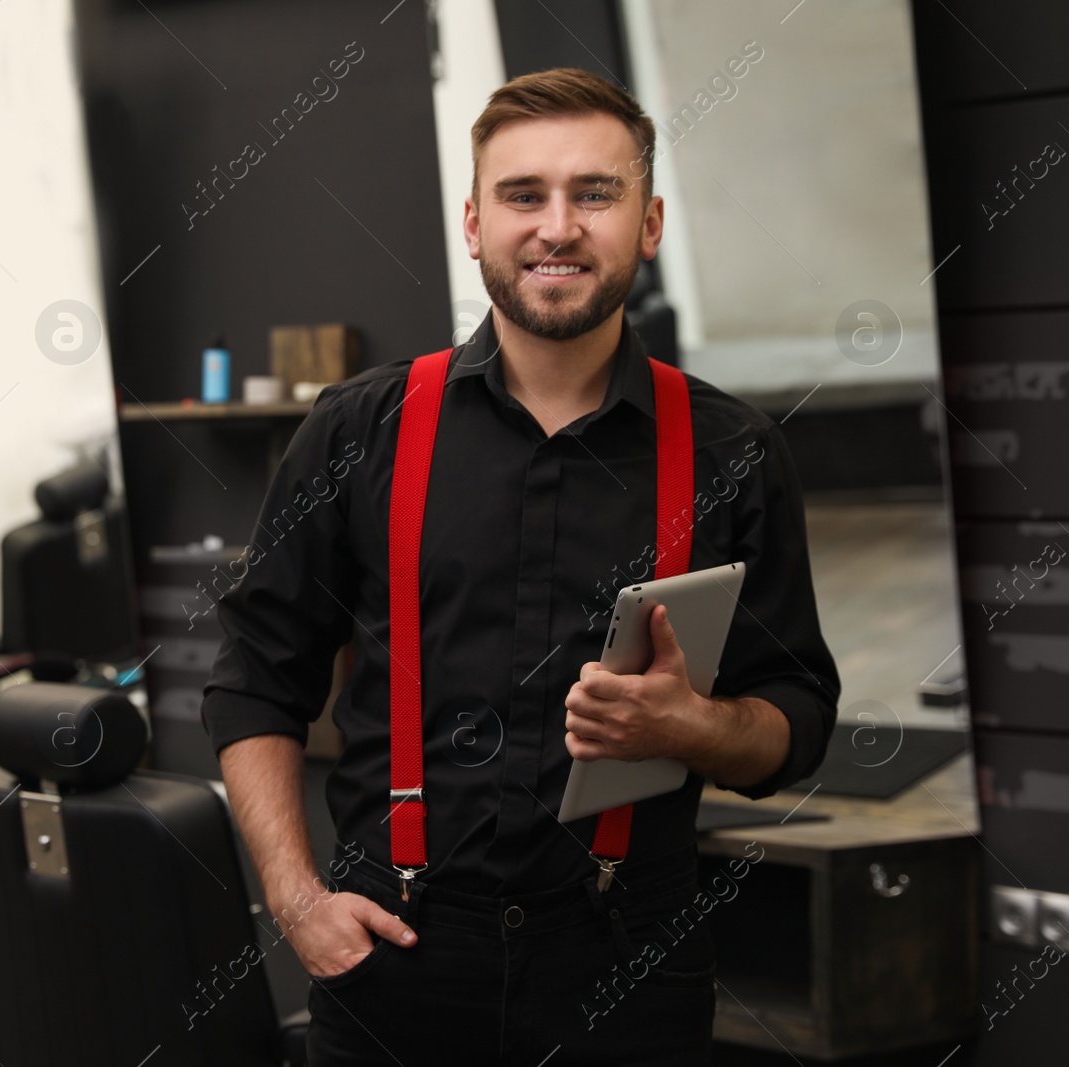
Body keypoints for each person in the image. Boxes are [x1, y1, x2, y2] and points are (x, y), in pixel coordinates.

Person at [200, 67, 840, 1065]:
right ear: (472, 222)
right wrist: (294, 898)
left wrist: (698, 727)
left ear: (650, 220)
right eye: (522, 194)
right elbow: (253, 680)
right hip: (395, 961)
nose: (557, 226)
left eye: (595, 193)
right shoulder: (357, 433)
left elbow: (796, 719)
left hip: (630, 971)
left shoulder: (735, 452)